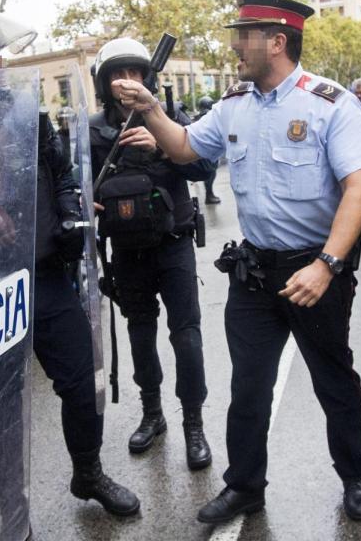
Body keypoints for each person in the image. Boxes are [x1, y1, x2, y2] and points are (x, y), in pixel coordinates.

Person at [111, 0, 361, 525]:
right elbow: (186, 147)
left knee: (334, 379)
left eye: (244, 36)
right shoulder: (234, 104)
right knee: (248, 385)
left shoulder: (330, 104)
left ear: (277, 41)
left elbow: (360, 190)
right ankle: (245, 487)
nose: (234, 45)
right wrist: (153, 110)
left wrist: (326, 265)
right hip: (254, 272)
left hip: (316, 270)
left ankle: (355, 475)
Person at [0, 6, 140, 520]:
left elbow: (60, 173)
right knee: (0, 410)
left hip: (44, 277)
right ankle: (11, 511)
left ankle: (88, 472)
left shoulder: (24, 112)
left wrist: (68, 211)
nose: (0, 62)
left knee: (81, 381)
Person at [88, 37, 215, 472]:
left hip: (173, 244)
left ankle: (194, 424)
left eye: (136, 73)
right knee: (141, 334)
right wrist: (86, 201)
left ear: (149, 77)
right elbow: (74, 184)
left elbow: (204, 166)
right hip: (127, 252)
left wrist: (161, 143)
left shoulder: (169, 116)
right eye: (118, 75)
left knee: (187, 336)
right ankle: (152, 413)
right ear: (104, 82)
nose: (127, 82)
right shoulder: (93, 130)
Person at [195, 96, 222, 204]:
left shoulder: (198, 116)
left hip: (202, 150)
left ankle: (209, 194)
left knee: (210, 173)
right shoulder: (208, 116)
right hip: (209, 150)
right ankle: (209, 195)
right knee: (211, 173)